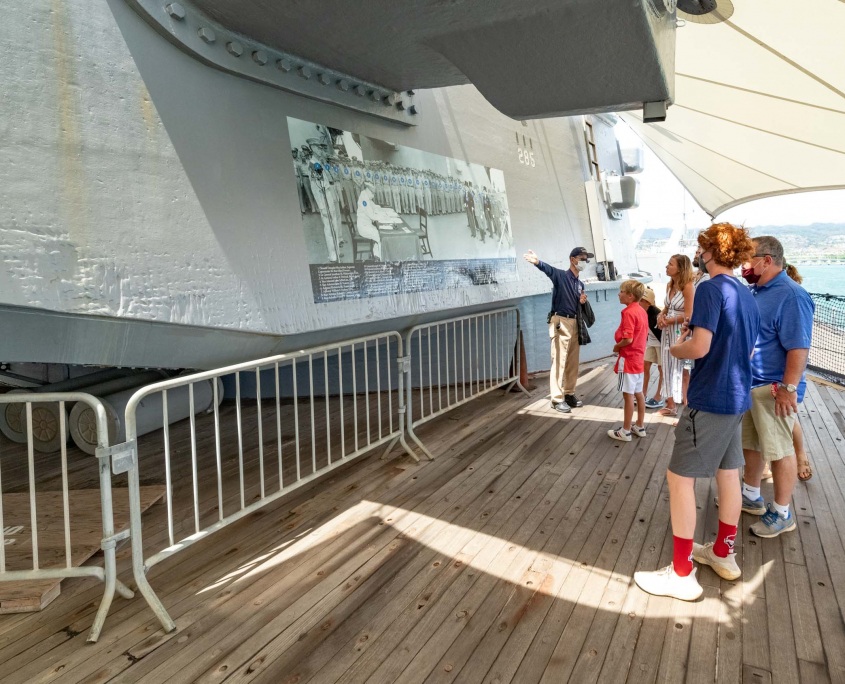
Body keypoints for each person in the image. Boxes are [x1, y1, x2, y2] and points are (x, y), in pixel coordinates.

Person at [635, 222, 760, 600]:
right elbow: (747, 348)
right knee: (728, 475)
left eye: (701, 248)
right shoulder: (745, 291)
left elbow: (700, 348)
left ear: (709, 252)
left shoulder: (709, 288)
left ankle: (682, 572)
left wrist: (675, 349)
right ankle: (723, 554)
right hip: (738, 396)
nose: (698, 255)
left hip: (710, 399)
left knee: (680, 479)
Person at [739, 236, 814, 538]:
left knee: (781, 450)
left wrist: (788, 388)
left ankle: (782, 513)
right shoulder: (756, 291)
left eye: (749, 259)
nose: (745, 265)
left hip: (775, 389)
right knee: (753, 444)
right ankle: (751, 495)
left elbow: (798, 348)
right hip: (753, 384)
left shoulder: (792, 296)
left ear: (766, 260)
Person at [523, 247, 592, 413]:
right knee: (559, 360)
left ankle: (569, 393)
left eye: (586, 259)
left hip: (575, 322)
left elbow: (576, 302)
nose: (584, 262)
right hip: (561, 321)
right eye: (582, 258)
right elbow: (548, 270)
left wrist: (581, 301)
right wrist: (537, 262)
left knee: (572, 362)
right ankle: (556, 398)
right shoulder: (561, 276)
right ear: (572, 259)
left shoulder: (580, 284)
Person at [608, 280, 649, 441]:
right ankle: (639, 425)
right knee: (639, 394)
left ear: (630, 296)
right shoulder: (641, 311)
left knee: (628, 395)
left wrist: (617, 347)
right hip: (639, 358)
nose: (619, 294)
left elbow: (628, 338)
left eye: (621, 291)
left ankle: (625, 431)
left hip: (629, 359)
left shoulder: (628, 313)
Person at [657, 254, 695, 417]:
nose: (666, 266)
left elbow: (689, 314)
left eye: (670, 264)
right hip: (667, 330)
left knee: (682, 369)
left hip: (681, 331)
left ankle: (686, 407)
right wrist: (661, 316)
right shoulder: (669, 285)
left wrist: (671, 321)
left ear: (680, 268)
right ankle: (670, 403)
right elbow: (666, 307)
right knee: (666, 365)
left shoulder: (688, 287)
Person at [641, 287, 665, 409]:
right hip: (651, 342)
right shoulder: (641, 312)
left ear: (648, 302)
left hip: (661, 343)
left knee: (662, 369)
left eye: (642, 300)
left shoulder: (655, 313)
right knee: (645, 366)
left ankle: (658, 396)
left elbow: (662, 331)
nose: (639, 302)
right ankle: (643, 394)